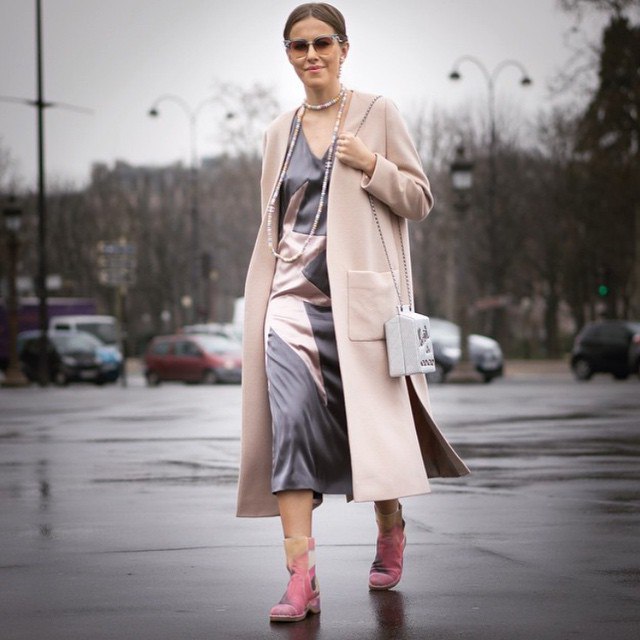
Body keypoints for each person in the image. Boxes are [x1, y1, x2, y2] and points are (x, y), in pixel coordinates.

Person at [237, 2, 469, 623]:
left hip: (359, 304)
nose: (310, 54)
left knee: (374, 431)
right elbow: (273, 225)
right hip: (289, 304)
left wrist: (371, 164)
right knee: (289, 428)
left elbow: (419, 200)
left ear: (344, 48)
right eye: (297, 46)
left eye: (321, 43)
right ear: (287, 55)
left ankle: (389, 523)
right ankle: (300, 580)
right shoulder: (276, 132)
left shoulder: (377, 112)